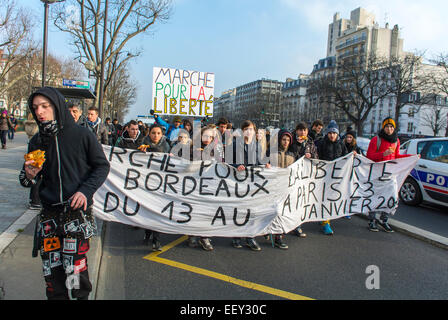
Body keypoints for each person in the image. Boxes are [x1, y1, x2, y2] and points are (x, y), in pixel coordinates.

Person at [19, 87, 110, 300]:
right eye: (35, 108)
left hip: (76, 214)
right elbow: (25, 181)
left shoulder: (81, 134)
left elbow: (101, 167)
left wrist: (85, 192)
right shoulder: (37, 141)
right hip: (49, 216)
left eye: (45, 106)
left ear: (56, 106)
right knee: (52, 271)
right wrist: (30, 174)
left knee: (75, 268)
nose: (40, 112)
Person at [366, 117, 415, 232]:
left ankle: (384, 220)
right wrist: (384, 154)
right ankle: (372, 220)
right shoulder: (376, 140)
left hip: (390, 174)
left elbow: (396, 156)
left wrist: (411, 157)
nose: (389, 129)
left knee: (391, 197)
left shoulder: (396, 141)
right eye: (387, 126)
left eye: (391, 127)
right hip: (377, 173)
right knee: (375, 196)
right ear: (383, 127)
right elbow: (369, 156)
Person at [230, 120, 271, 251]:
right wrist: (237, 166)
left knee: (252, 210)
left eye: (252, 129)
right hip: (239, 182)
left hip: (253, 183)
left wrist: (265, 165)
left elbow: (259, 161)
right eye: (246, 129)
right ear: (242, 131)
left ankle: (250, 237)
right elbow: (228, 162)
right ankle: (236, 236)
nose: (249, 131)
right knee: (240, 210)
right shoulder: (235, 145)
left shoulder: (257, 146)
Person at [138, 124, 171, 250]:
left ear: (162, 134)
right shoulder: (143, 145)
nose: (155, 136)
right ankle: (147, 234)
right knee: (148, 211)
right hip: (146, 183)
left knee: (157, 211)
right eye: (153, 133)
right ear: (149, 133)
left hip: (161, 183)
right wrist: (140, 154)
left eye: (158, 133)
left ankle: (156, 240)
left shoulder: (167, 146)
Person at [316, 120, 348, 235]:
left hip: (335, 178)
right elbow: (317, 157)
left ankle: (325, 220)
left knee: (330, 199)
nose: (332, 135)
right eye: (330, 133)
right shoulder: (321, 143)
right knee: (324, 199)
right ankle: (325, 222)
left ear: (337, 134)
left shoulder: (341, 144)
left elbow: (346, 157)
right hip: (324, 177)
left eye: (334, 133)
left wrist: (352, 156)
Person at [288, 121, 319, 237]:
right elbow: (290, 156)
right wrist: (298, 146)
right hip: (292, 175)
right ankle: (289, 224)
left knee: (300, 201)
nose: (302, 132)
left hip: (304, 176)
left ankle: (297, 225)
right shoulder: (291, 141)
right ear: (296, 131)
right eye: (300, 130)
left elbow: (316, 157)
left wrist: (311, 156)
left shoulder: (310, 142)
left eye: (304, 130)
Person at [269, 129, 295, 249]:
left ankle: (278, 236)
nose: (286, 142)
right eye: (284, 139)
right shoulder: (272, 153)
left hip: (285, 187)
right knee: (272, 211)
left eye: (288, 140)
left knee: (281, 212)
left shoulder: (292, 154)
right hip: (272, 186)